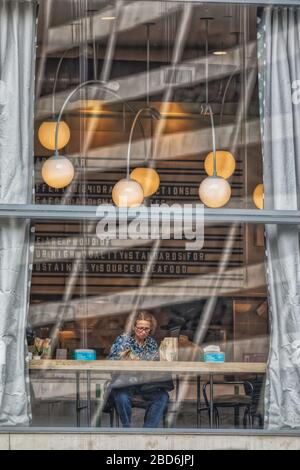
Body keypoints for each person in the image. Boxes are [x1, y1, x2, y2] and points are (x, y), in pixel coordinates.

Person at [107, 310, 170, 428]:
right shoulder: (123, 340)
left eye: (146, 329)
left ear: (151, 329)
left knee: (162, 397)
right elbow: (111, 360)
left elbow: (156, 364)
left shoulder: (151, 343)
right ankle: (127, 429)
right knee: (121, 397)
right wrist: (122, 358)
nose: (143, 331)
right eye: (140, 328)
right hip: (125, 383)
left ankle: (148, 431)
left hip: (145, 384)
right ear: (134, 327)